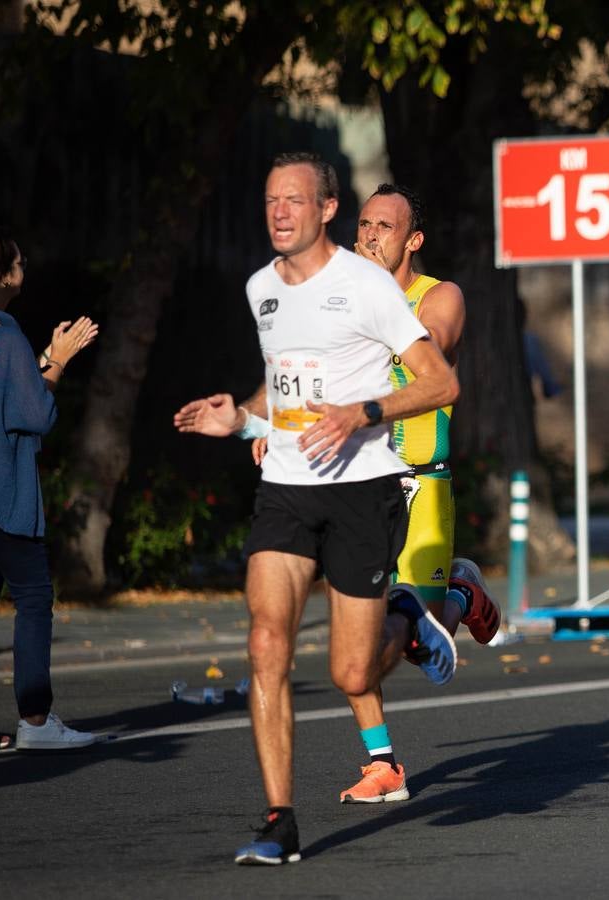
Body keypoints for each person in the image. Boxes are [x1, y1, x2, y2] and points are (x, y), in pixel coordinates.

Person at [172, 153, 459, 866]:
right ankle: (279, 819)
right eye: (271, 201)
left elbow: (440, 381)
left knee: (351, 674)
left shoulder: (365, 286)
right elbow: (285, 385)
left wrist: (364, 411)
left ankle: (412, 615)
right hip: (288, 491)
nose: (279, 213)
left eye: (294, 201)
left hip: (364, 488)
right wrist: (239, 419)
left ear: (326, 209)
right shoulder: (260, 287)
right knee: (267, 643)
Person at [304, 182, 502, 805]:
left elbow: (432, 349)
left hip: (420, 486)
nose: (368, 236)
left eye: (383, 227)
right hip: (354, 489)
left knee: (410, 636)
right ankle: (383, 763)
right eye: (363, 225)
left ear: (412, 240)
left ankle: (459, 590)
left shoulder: (438, 296)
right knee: (352, 641)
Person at [0, 231, 97, 758]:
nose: (24, 266)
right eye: (17, 262)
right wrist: (59, 361)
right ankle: (36, 719)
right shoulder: (4, 336)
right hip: (2, 495)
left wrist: (43, 357)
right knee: (35, 597)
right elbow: (33, 413)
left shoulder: (1, 332)